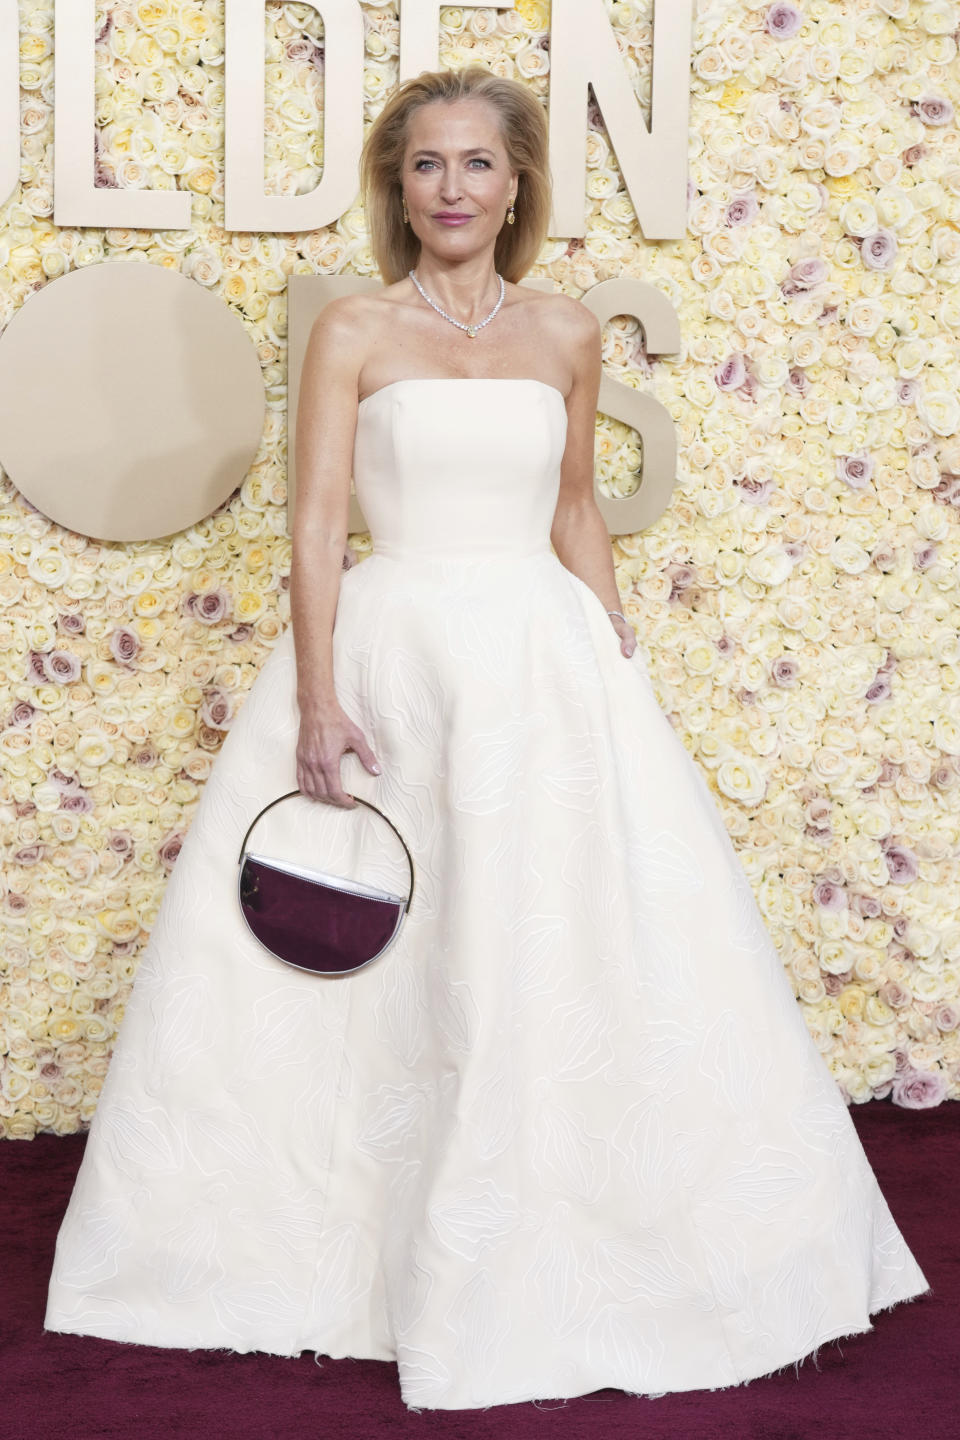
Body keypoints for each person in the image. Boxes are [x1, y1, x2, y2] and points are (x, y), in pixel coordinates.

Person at [46, 65, 930, 1412]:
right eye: (426, 166)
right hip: (395, 656)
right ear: (397, 189)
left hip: (540, 654)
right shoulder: (352, 327)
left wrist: (614, 650)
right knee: (374, 953)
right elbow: (316, 518)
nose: (452, 188)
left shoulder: (570, 331)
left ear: (518, 186)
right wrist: (322, 693)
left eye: (477, 164)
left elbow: (576, 507)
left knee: (567, 937)